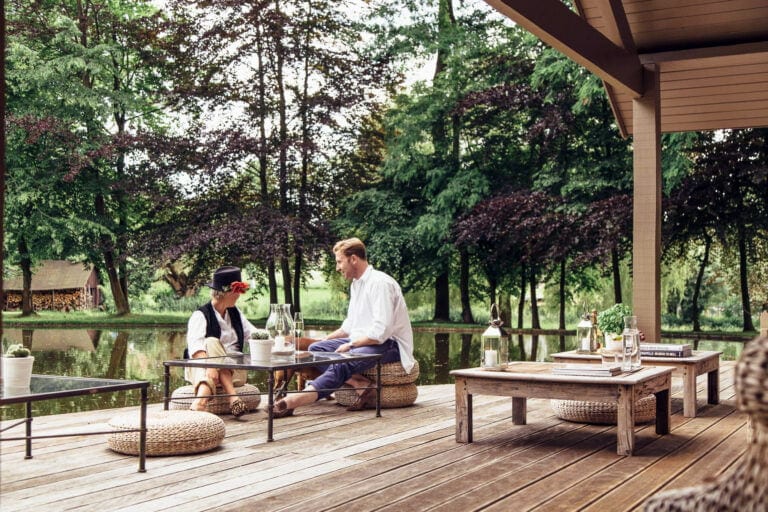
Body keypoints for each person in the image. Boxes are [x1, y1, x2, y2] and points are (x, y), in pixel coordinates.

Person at [273, 237, 415, 417]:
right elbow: (349, 326)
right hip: (364, 342)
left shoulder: (380, 283)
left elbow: (382, 331)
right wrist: (323, 341)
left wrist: (351, 345)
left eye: (340, 262)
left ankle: (291, 403)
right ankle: (359, 384)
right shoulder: (356, 284)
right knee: (316, 349)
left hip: (390, 345)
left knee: (341, 361)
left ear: (353, 259)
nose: (337, 267)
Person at [186, 266, 256, 417]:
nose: (239, 295)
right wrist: (211, 366)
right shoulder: (200, 315)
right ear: (227, 293)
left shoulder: (236, 313)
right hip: (202, 365)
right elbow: (196, 350)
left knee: (211, 370)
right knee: (211, 342)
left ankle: (198, 404)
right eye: (238, 291)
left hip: (235, 370)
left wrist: (280, 340)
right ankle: (233, 398)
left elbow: (255, 334)